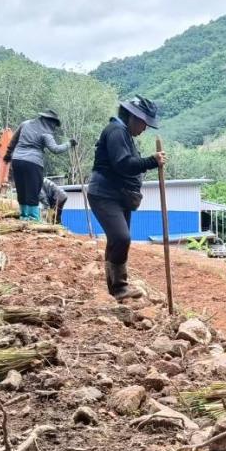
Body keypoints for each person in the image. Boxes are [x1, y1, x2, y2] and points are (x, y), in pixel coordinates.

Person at [87, 95, 164, 302]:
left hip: (118, 195)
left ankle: (115, 288)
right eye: (144, 123)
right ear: (132, 117)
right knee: (122, 238)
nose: (144, 128)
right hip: (104, 194)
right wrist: (151, 161)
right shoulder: (116, 132)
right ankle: (119, 288)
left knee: (116, 240)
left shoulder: (124, 134)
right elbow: (123, 164)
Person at [7, 109, 74, 221]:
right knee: (33, 190)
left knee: (21, 189)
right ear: (50, 121)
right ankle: (33, 218)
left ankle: (24, 216)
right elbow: (55, 149)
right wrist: (69, 144)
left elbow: (13, 141)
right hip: (33, 162)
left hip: (17, 160)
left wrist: (8, 155)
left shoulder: (25, 124)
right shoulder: (46, 133)